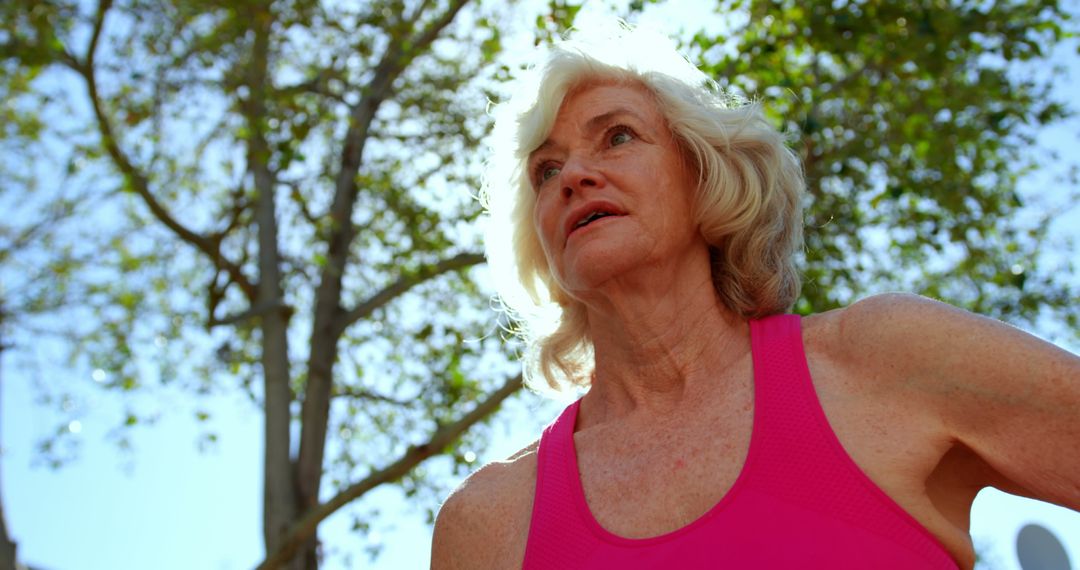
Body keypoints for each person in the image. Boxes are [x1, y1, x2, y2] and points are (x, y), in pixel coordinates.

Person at [430, 23, 1080, 570]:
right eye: (547, 170)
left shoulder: (885, 360)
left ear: (705, 171)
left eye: (618, 136)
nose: (574, 174)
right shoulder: (488, 524)